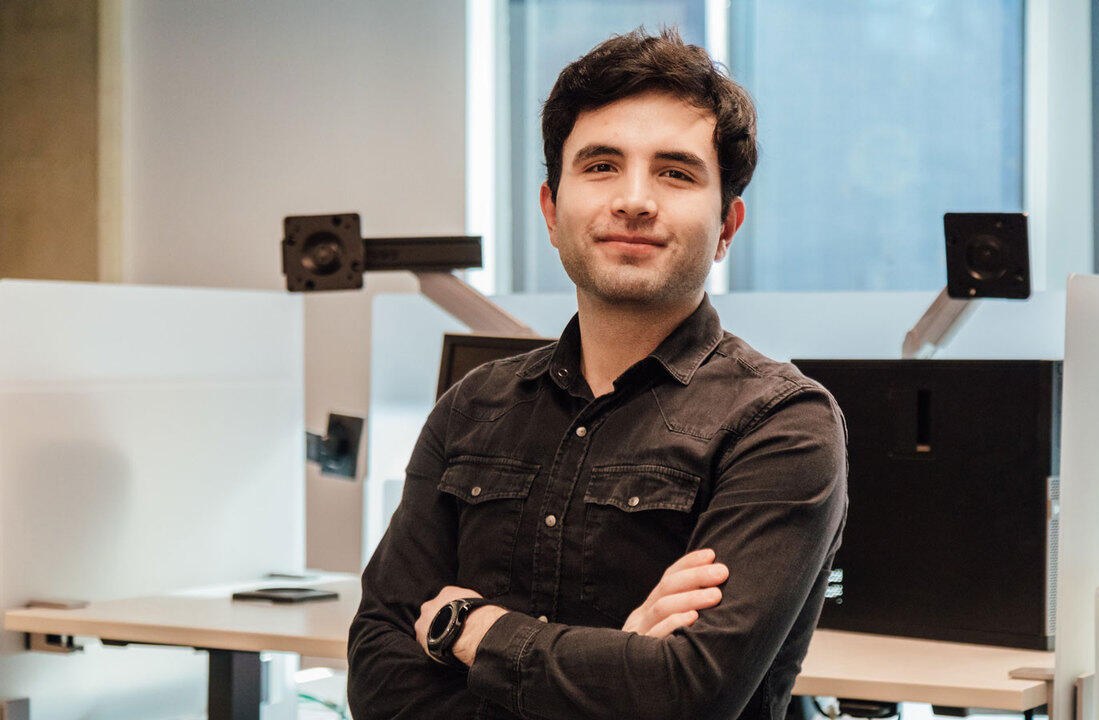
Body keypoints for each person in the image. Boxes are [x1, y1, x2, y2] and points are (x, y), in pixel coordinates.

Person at [348, 27, 847, 720]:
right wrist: (617, 663)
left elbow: (688, 695)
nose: (635, 200)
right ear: (552, 212)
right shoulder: (474, 408)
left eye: (675, 172)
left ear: (727, 226)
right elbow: (378, 674)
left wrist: (471, 631)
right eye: (602, 165)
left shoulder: (781, 424)